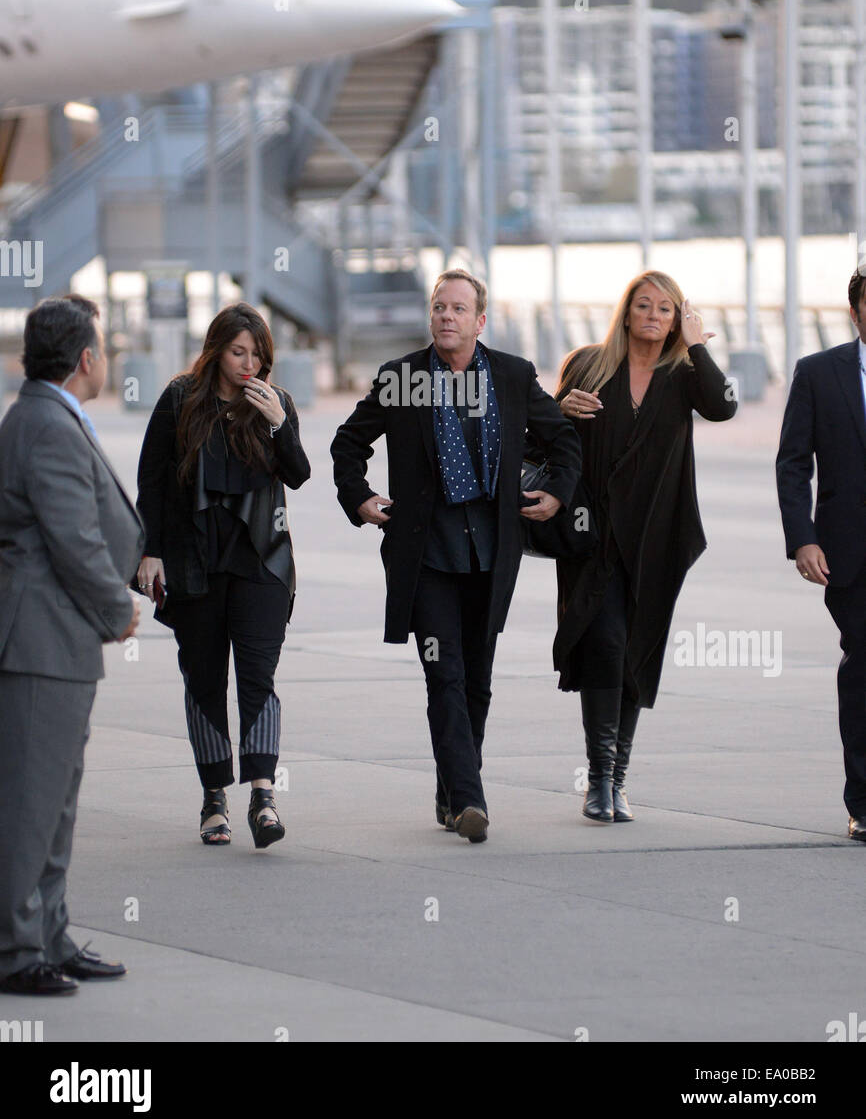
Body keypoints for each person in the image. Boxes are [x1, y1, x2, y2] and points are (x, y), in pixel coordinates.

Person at [331, 268, 581, 843]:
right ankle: (471, 800)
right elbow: (348, 442)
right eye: (439, 307)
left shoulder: (513, 376)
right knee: (444, 674)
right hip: (427, 556)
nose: (446, 316)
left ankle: (451, 793)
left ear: (479, 321)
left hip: (492, 553)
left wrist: (559, 492)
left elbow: (562, 437)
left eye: (458, 308)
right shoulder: (401, 378)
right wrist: (360, 497)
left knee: (478, 679)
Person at [554, 271, 737, 823]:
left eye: (666, 309)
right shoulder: (588, 363)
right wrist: (560, 410)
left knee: (636, 649)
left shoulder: (683, 374)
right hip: (594, 536)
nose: (653, 316)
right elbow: (542, 431)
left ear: (677, 318)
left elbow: (724, 406)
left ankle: (618, 781)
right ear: (627, 312)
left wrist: (699, 341)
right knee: (604, 641)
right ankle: (598, 778)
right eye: (644, 306)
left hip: (656, 538)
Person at [0, 295, 143, 996]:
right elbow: (73, 537)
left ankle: (47, 935)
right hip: (40, 640)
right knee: (30, 804)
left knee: (54, 802)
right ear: (86, 358)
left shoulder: (44, 414)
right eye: (104, 346)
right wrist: (117, 607)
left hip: (56, 640)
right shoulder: (46, 424)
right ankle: (13, 950)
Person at [135, 302, 310, 849]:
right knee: (205, 680)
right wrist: (150, 552)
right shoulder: (179, 399)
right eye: (238, 352)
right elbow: (153, 484)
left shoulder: (275, 403)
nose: (248, 364)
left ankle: (263, 796)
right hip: (195, 563)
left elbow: (299, 474)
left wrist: (279, 425)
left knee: (258, 679)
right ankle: (215, 798)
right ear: (215, 350)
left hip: (262, 561)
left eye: (257, 355)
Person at [776, 267, 866, 842]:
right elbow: (792, 462)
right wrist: (803, 538)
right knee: (863, 668)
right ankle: (862, 801)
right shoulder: (818, 373)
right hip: (849, 553)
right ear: (856, 311)